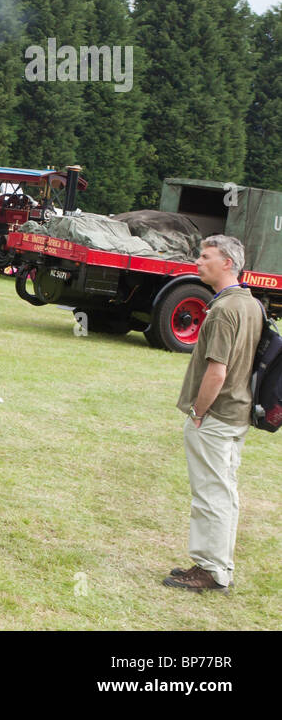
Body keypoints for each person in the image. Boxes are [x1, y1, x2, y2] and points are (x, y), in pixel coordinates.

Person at [164, 235, 261, 594]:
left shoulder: (224, 310)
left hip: (217, 415)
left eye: (206, 256)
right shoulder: (250, 303)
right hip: (236, 413)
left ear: (227, 263)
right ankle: (216, 564)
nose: (198, 261)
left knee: (211, 495)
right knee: (224, 493)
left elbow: (217, 371)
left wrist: (198, 412)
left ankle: (212, 571)